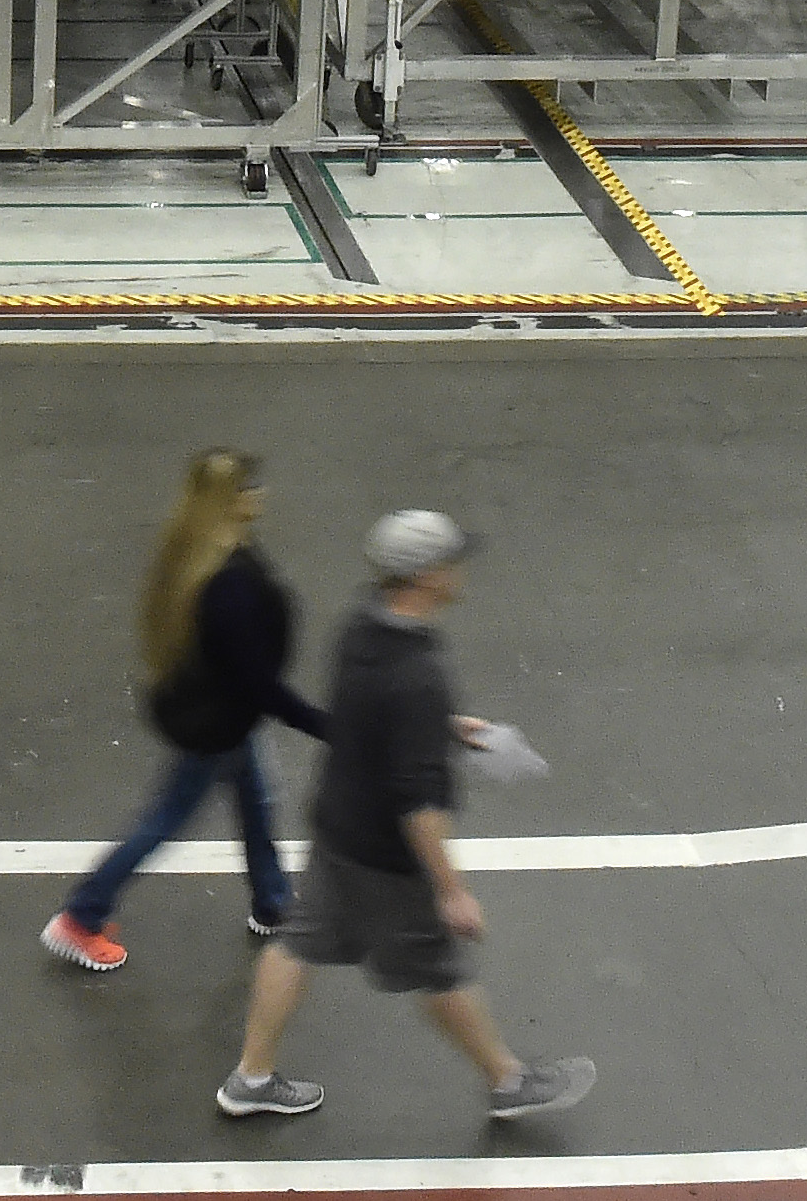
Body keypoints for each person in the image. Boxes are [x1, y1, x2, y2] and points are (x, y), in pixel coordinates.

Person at [217, 511, 589, 1128]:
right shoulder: (419, 674)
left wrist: (439, 727)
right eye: (452, 561)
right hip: (386, 859)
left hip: (338, 824)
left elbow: (367, 716)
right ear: (428, 576)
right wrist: (450, 889)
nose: (460, 571)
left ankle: (250, 1077)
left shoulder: (360, 627)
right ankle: (508, 1081)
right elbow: (418, 804)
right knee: (437, 971)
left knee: (297, 943)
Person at [44, 448, 326, 970]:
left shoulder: (199, 550)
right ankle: (81, 918)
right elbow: (259, 684)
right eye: (251, 486)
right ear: (233, 500)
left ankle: (273, 902)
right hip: (220, 724)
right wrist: (326, 726)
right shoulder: (229, 583)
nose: (261, 493)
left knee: (257, 802)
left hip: (218, 714)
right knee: (167, 818)